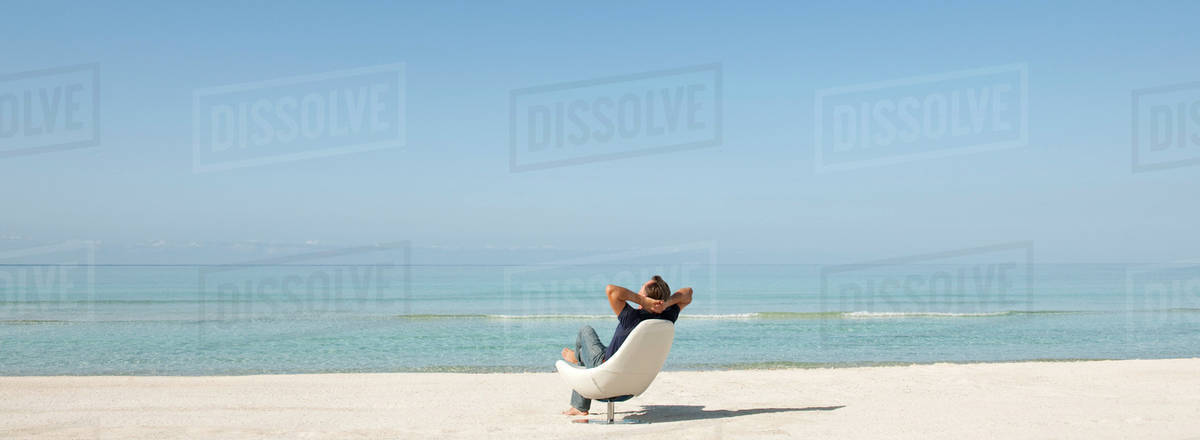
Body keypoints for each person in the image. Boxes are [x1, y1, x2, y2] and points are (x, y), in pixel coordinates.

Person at [560, 275, 693, 416]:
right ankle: (579, 358)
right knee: (595, 351)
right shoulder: (668, 317)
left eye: (641, 292)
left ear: (646, 298)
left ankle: (577, 364)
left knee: (585, 331)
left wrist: (642, 301)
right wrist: (666, 304)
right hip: (633, 386)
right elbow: (688, 293)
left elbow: (611, 290)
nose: (638, 292)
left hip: (606, 377)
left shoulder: (632, 317)